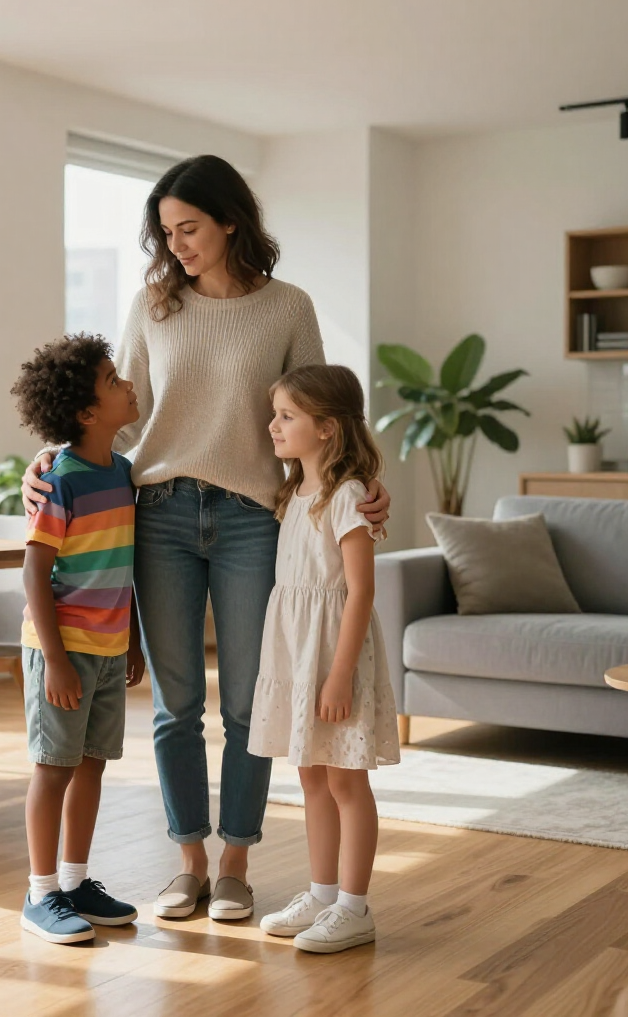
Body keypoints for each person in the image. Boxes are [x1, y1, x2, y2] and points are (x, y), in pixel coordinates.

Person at [22, 155, 392, 921]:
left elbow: (321, 416)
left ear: (231, 220)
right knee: (175, 703)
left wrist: (362, 482)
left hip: (256, 517)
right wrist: (42, 462)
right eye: (166, 231)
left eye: (189, 227)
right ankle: (187, 859)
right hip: (156, 511)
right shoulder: (154, 305)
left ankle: (236, 862)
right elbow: (108, 413)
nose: (177, 243)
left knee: (252, 702)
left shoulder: (288, 307)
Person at [250, 364, 400, 953]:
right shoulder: (294, 492)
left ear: (328, 429)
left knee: (345, 780)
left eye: (287, 416)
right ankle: (320, 892)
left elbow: (360, 591)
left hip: (335, 654)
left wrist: (339, 676)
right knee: (311, 774)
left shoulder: (348, 496)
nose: (273, 425)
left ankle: (354, 907)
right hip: (296, 652)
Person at [11, 333, 147, 945]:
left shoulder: (121, 473)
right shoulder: (59, 481)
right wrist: (57, 662)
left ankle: (75, 880)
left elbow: (124, 565)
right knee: (53, 768)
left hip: (109, 647)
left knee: (91, 765)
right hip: (60, 651)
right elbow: (34, 570)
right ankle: (40, 893)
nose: (128, 385)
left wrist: (134, 639)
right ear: (88, 413)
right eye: (115, 381)